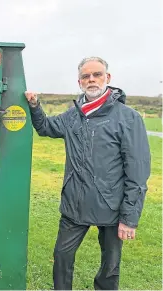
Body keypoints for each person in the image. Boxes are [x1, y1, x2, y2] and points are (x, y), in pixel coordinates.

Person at [25, 56, 151, 290]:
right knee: (62, 257)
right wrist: (35, 107)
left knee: (110, 266)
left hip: (113, 207)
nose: (91, 79)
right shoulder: (73, 115)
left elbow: (138, 170)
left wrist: (129, 218)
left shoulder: (128, 118)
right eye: (86, 76)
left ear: (108, 78)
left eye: (97, 74)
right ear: (79, 81)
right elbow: (46, 127)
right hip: (75, 204)